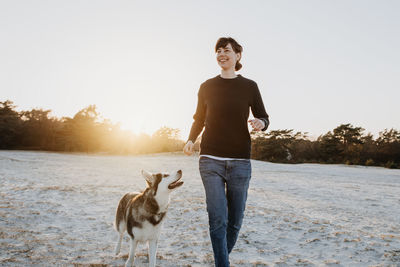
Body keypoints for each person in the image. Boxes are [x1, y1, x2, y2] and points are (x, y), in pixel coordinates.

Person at [183, 37, 269, 267]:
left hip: (240, 161)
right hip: (210, 160)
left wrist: (261, 122)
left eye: (227, 50)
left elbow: (264, 116)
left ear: (238, 56)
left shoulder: (249, 86)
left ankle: (221, 260)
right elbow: (199, 119)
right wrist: (191, 139)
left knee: (235, 222)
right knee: (218, 218)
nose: (222, 54)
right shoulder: (206, 86)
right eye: (218, 51)